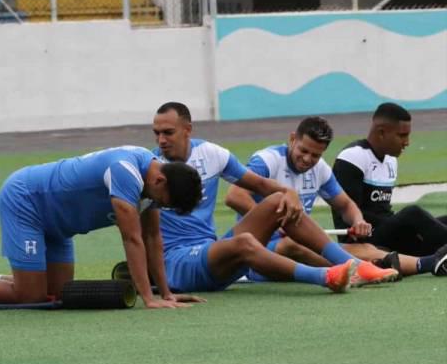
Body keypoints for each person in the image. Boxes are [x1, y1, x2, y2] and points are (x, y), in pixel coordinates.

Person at [0, 145, 205, 309]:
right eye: (164, 203)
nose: (161, 207)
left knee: (55, 293)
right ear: (160, 182)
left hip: (60, 225)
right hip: (27, 200)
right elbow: (132, 239)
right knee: (29, 296)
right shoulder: (126, 172)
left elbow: (153, 238)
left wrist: (165, 292)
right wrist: (148, 298)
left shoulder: (155, 181)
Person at [150, 102, 379, 293]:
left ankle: (358, 266)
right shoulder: (150, 170)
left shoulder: (211, 153)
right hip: (177, 264)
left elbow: (259, 184)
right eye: (157, 133)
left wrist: (288, 193)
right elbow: (234, 197)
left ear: (187, 129)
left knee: (279, 202)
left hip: (212, 254)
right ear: (292, 140)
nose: (161, 140)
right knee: (247, 242)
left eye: (167, 133)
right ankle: (326, 276)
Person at [223, 116, 399, 284]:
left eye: (315, 155)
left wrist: (358, 220)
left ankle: (420, 263)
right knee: (291, 245)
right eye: (303, 150)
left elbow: (345, 205)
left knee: (365, 248)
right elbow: (234, 196)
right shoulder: (268, 160)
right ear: (293, 139)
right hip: (259, 250)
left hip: (298, 245)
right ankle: (355, 270)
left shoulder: (320, 169)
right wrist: (271, 221)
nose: (307, 159)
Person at [331, 103, 447, 276]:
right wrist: (402, 223)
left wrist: (402, 226)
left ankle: (439, 256)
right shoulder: (353, 157)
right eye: (402, 135)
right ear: (381, 132)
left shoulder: (390, 160)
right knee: (413, 214)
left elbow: (383, 211)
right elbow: (346, 213)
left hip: (389, 232)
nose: (407, 142)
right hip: (364, 241)